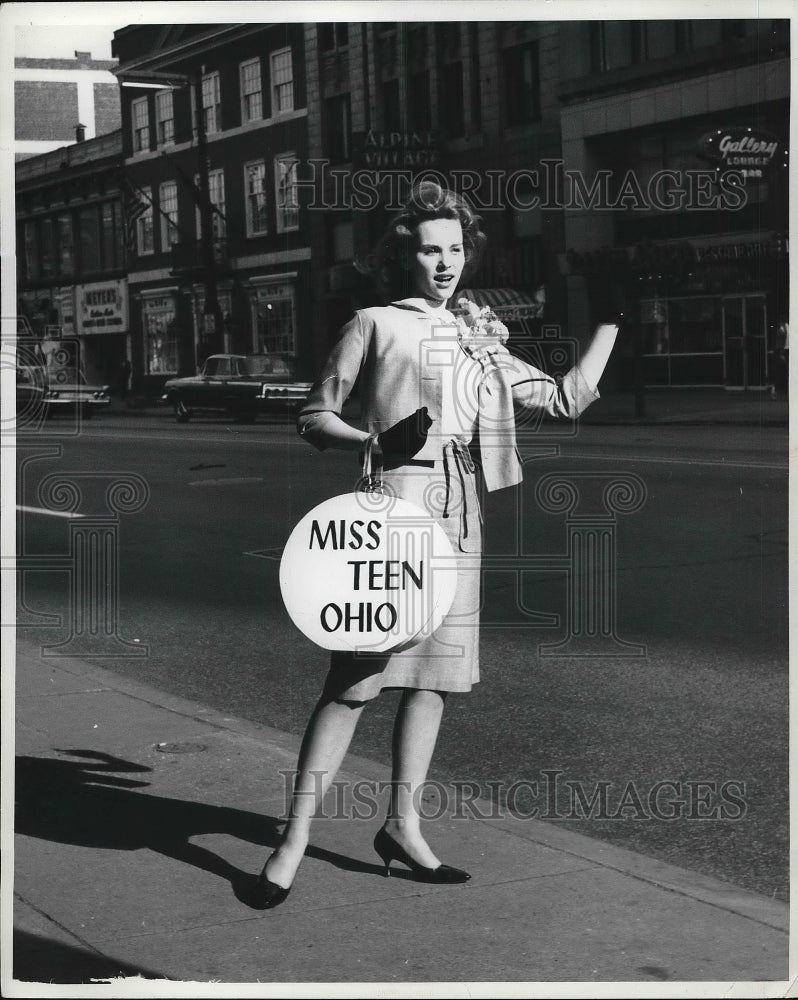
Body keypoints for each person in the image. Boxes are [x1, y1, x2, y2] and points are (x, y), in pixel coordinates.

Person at [257, 180, 620, 908]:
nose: (446, 262)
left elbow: (563, 398)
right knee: (356, 682)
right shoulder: (374, 324)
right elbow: (312, 415)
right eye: (431, 249)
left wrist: (610, 319)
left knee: (433, 680)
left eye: (456, 248)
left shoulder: (479, 336)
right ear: (407, 256)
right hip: (394, 508)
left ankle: (402, 825)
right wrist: (371, 439)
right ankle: (292, 839)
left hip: (461, 514)